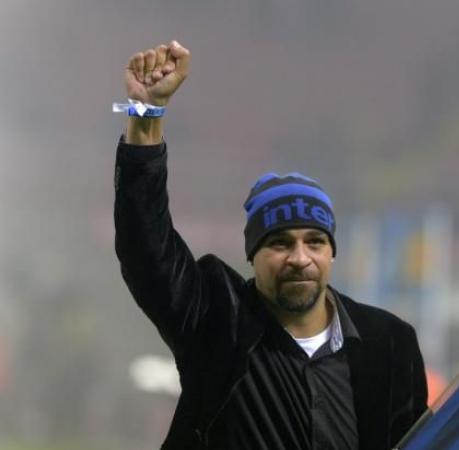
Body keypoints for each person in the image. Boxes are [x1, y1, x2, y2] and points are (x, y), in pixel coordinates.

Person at [114, 41, 428, 450]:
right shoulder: (216, 320)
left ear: (332, 250)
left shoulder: (389, 342)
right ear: (252, 255)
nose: (300, 258)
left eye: (314, 241)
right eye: (280, 243)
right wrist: (145, 115)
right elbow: (146, 248)